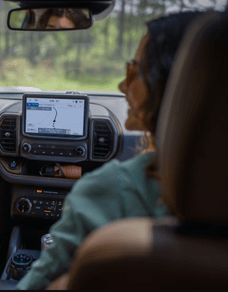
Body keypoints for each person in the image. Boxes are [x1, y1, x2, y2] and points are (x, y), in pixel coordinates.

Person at [16, 11, 207, 290]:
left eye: (134, 71)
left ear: (175, 85)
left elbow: (35, 284)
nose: (121, 85)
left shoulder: (112, 189)